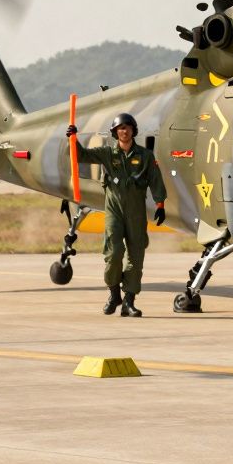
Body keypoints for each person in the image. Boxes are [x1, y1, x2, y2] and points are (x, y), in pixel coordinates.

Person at [66, 112, 167, 317]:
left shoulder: (145, 156)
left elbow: (155, 180)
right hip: (113, 211)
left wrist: (160, 205)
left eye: (128, 127)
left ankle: (129, 301)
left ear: (133, 131)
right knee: (113, 253)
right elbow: (80, 157)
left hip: (136, 212)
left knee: (136, 257)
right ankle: (114, 294)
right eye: (121, 128)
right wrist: (73, 140)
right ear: (115, 132)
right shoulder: (107, 154)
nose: (124, 131)